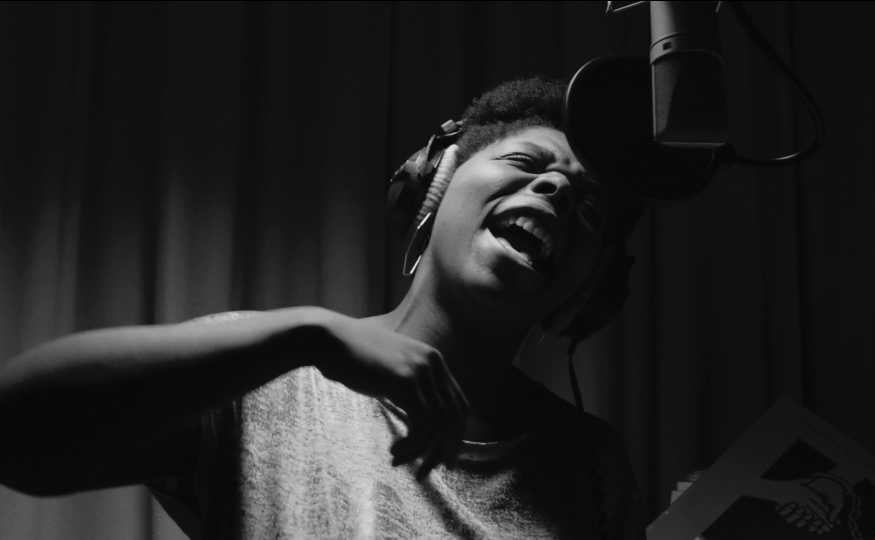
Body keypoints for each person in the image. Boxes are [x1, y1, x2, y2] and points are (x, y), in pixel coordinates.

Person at [0, 77, 642, 538]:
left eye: (589, 208)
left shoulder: (591, 468)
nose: (557, 188)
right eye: (526, 161)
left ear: (587, 291)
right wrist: (306, 338)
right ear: (435, 187)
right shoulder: (272, 374)